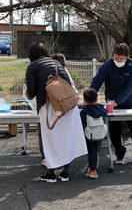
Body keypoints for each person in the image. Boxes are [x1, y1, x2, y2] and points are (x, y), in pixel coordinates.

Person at [25, 42, 87, 183]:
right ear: (45, 51)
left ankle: (51, 174)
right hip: (67, 106)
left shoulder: (32, 67)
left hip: (49, 107)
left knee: (51, 140)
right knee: (66, 138)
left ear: (31, 55)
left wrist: (27, 94)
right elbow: (68, 84)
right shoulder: (55, 62)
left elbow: (32, 92)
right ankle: (65, 173)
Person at [90, 43, 132, 164]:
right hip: (111, 101)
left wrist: (118, 101)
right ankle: (119, 153)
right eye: (116, 58)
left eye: (121, 59)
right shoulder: (107, 65)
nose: (118, 61)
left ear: (127, 57)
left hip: (128, 101)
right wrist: (90, 97)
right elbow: (97, 81)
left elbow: (130, 87)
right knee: (114, 128)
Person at [38, 53, 78, 168]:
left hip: (56, 109)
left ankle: (49, 161)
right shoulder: (66, 73)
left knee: (50, 135)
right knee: (66, 137)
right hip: (68, 109)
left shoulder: (52, 74)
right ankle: (65, 169)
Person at [80, 88, 108, 179]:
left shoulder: (84, 111)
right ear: (97, 99)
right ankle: (93, 169)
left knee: (91, 151)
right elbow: (106, 112)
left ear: (84, 100)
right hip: (100, 133)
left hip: (89, 134)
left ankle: (93, 171)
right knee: (95, 150)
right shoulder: (101, 109)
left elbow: (82, 122)